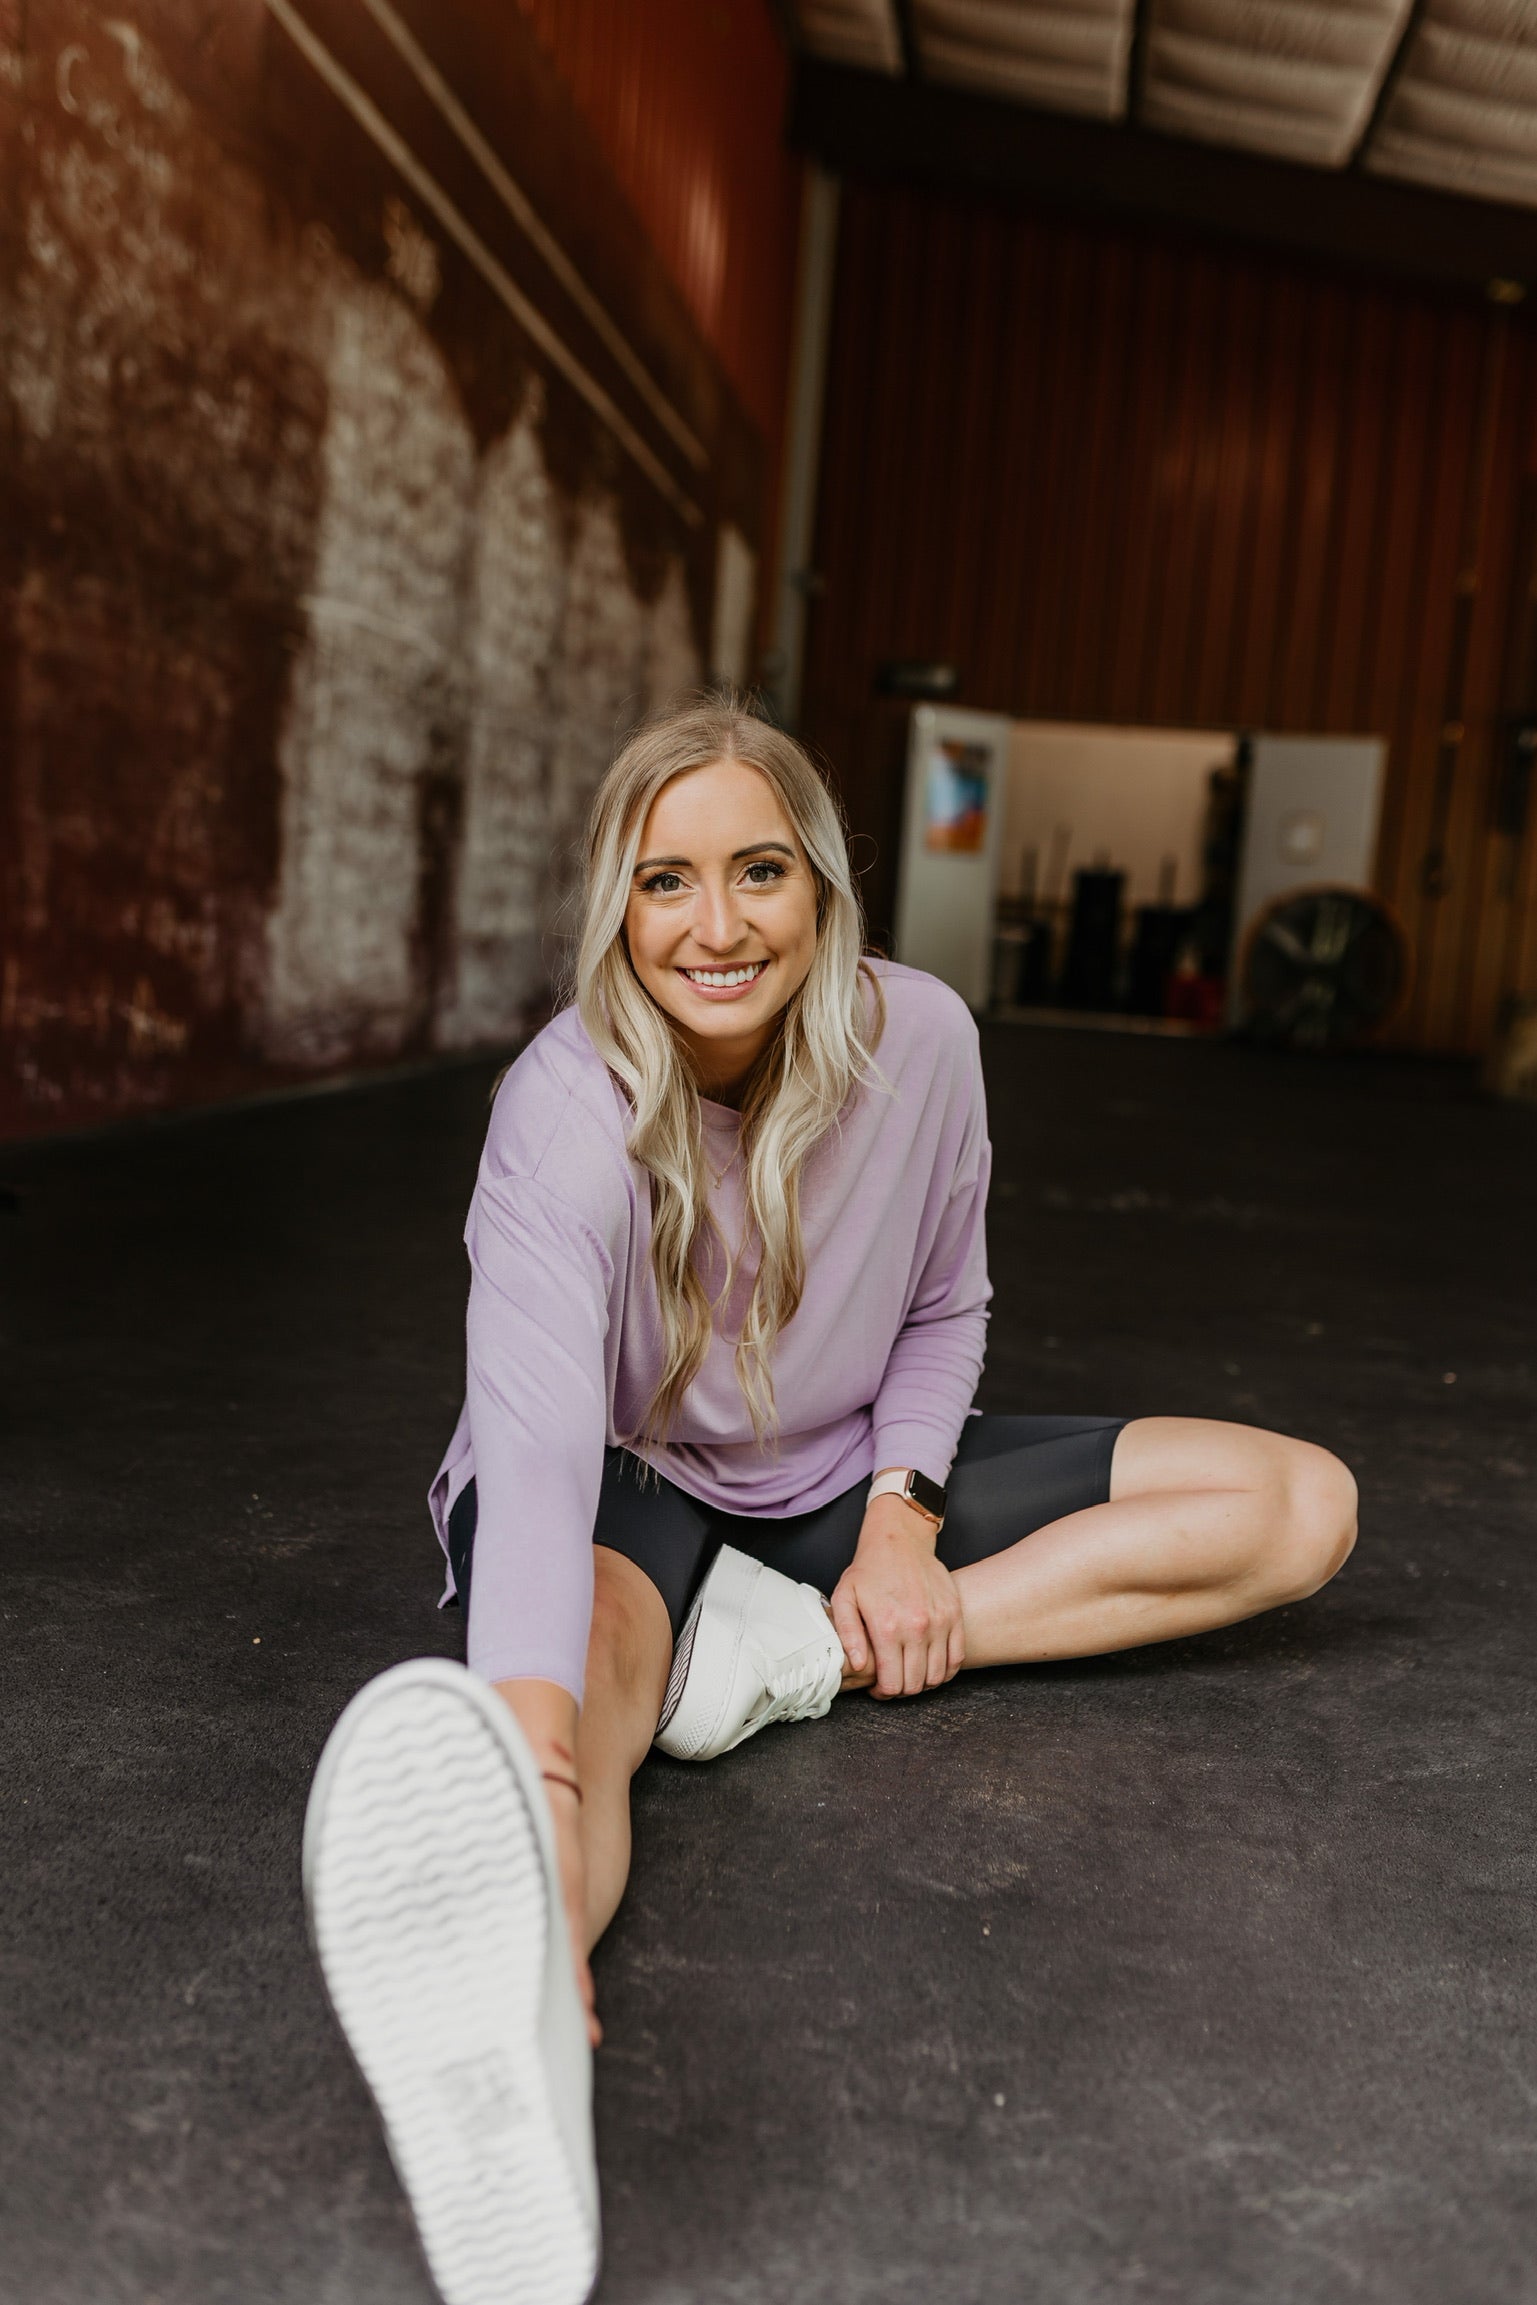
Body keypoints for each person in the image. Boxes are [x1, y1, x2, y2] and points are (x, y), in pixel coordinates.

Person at [303, 697, 1358, 2305]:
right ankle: (518, 2015)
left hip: (841, 1471)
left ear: (820, 884)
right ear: (616, 904)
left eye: (757, 871)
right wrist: (536, 1757)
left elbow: (943, 1307)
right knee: (579, 1716)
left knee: (1297, 1503)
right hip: (627, 1474)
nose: (715, 926)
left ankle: (793, 1651)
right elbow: (534, 1451)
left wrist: (896, 1522)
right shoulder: (560, 1106)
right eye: (665, 880)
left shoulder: (919, 1039)